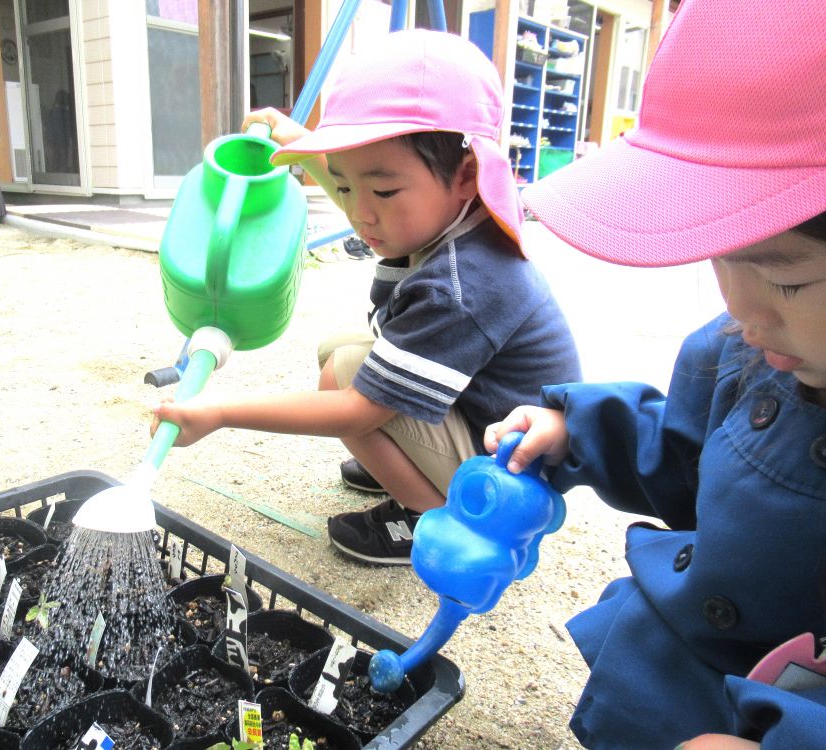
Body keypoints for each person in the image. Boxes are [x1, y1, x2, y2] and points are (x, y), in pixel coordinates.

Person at [485, 0, 826, 747]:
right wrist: (576, 429)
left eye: (788, 279)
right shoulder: (748, 344)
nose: (740, 306)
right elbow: (681, 451)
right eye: (722, 252)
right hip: (676, 671)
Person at [151, 29, 581, 565]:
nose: (360, 214)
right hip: (483, 421)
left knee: (346, 374)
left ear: (467, 174)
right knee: (343, 347)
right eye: (346, 186)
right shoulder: (449, 219)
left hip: (508, 476)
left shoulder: (462, 283)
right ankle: (409, 466)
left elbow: (355, 412)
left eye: (381, 191)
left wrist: (218, 412)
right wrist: (299, 141)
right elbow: (365, 191)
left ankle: (434, 517)